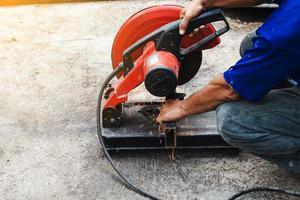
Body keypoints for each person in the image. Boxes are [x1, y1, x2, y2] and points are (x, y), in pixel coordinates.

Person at [156, 0, 300, 173]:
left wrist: (181, 107)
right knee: (251, 43)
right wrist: (206, 3)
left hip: (291, 33)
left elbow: (229, 90)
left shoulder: (287, 32)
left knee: (232, 120)